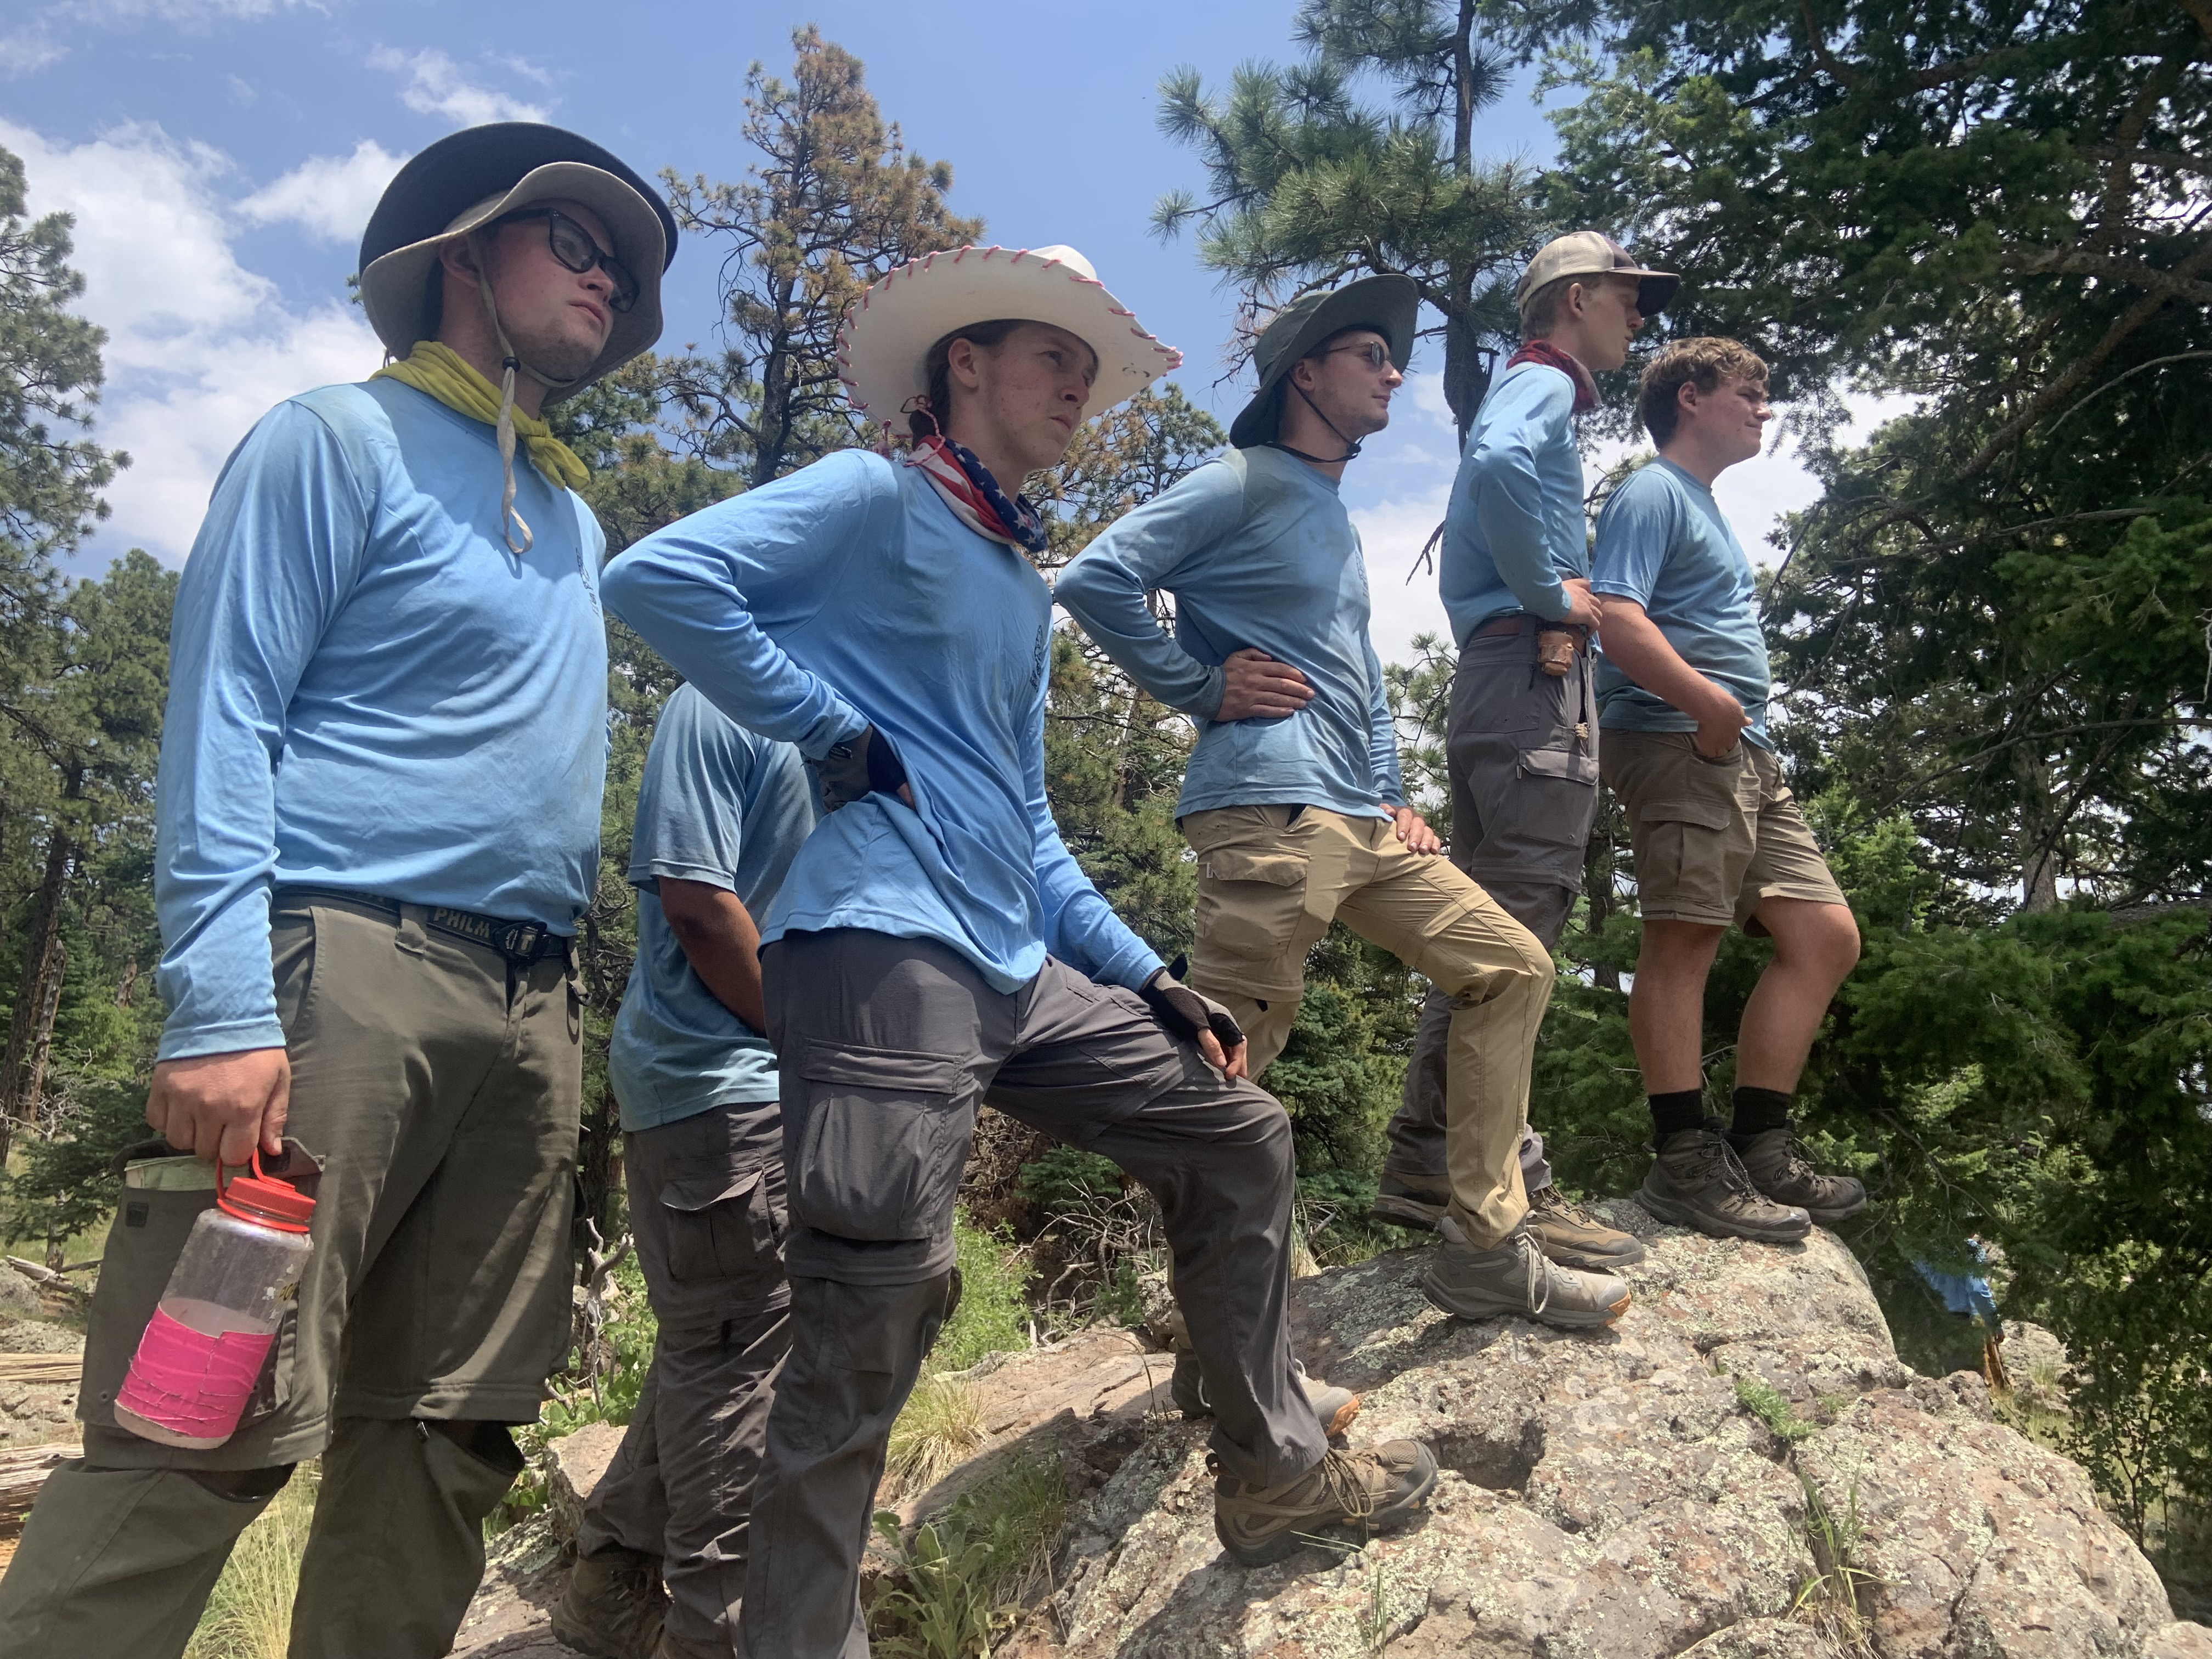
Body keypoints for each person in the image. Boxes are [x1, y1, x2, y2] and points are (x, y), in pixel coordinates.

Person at [601, 243, 1439, 1659]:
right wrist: (831, 727)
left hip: (1011, 967)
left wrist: (1145, 974)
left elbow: (1028, 825)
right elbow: (657, 576)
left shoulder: (1012, 573)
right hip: (877, 949)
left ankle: (1275, 1472)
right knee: (867, 1321)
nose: (1078, 389)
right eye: (1054, 356)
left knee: (1237, 1132)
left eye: (1089, 370)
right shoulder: (875, 496)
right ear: (965, 364)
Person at [0, 123, 678, 1658]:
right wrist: (220, 1004)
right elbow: (224, 714)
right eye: (575, 243)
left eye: (625, 270)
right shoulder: (333, 441)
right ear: (466, 255)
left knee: (447, 1430)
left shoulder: (573, 519)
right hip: (339, 976)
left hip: (532, 1010)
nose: (611, 281)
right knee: (202, 1415)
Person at [1058, 276, 1630, 1332]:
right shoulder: (1241, 482)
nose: (1393, 374)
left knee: (1511, 968)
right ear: (1305, 375)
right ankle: (1211, 1304)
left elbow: (1358, 673)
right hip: (1267, 810)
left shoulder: (1328, 512)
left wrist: (1392, 795)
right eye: (1369, 355)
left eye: (1392, 356)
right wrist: (1200, 686)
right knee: (1224, 1058)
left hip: (1357, 821)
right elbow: (1096, 578)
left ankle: (1486, 1246)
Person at [1372, 232, 1673, 1276]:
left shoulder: (1529, 386)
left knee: (1485, 937)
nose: (1639, 318)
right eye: (1628, 298)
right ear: (1575, 298)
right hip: (1532, 680)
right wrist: (1554, 594)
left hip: (1501, 681)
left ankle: (1431, 1159)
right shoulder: (1542, 383)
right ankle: (1506, 1187)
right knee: (1516, 940)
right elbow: (1499, 466)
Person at [551, 685, 817, 1659]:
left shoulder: (848, 701)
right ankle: (720, 1633)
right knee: (741, 1375)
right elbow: (701, 909)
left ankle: (613, 1581)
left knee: (720, 1347)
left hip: (745, 1089)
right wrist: (820, 1048)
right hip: (728, 1092)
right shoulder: (722, 701)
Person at [1590, 337, 1867, 1240]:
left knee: (1824, 937)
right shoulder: (1653, 491)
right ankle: (1683, 1160)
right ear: (1690, 396)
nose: (1764, 409)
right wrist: (1709, 707)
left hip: (1743, 752)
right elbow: (1616, 618)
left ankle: (1760, 1146)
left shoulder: (1701, 504)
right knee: (1684, 939)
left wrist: (1730, 723)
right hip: (1679, 738)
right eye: (1749, 393)